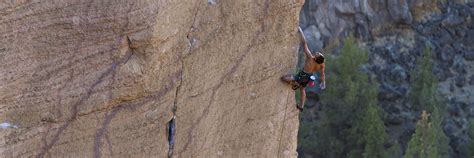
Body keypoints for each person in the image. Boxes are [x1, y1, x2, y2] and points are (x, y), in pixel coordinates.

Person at [281, 27, 326, 112]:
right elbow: (322, 74)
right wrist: (323, 82)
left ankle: (294, 82)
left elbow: (304, 44)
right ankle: (301, 106)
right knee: (302, 89)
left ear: (316, 58)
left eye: (317, 54)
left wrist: (300, 31)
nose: (316, 53)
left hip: (303, 75)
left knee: (284, 79)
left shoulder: (310, 58)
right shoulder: (321, 65)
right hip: (309, 77)